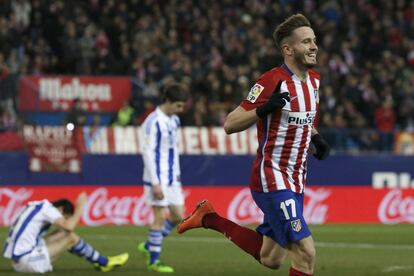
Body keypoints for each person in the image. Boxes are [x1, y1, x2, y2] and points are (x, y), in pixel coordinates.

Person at [177, 14, 330, 276]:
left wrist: (315, 136)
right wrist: (265, 108)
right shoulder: (271, 81)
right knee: (305, 252)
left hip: (296, 180)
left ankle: (208, 217)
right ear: (288, 49)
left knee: (270, 257)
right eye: (306, 42)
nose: (314, 46)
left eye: (314, 40)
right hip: (272, 177)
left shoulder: (314, 80)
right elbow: (230, 123)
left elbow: (302, 117)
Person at [2, 192, 129, 273]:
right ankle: (104, 263)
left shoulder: (36, 206)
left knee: (62, 234)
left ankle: (99, 262)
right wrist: (80, 207)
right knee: (70, 237)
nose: (64, 220)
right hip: (27, 262)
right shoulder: (49, 209)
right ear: (62, 209)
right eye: (66, 217)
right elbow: (69, 227)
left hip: (17, 262)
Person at [138, 82, 189, 273]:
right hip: (157, 179)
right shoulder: (152, 122)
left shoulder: (174, 120)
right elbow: (147, 152)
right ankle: (154, 261)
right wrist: (155, 183)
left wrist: (176, 174)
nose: (181, 110)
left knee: (178, 216)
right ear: (167, 101)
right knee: (159, 217)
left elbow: (173, 150)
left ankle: (148, 245)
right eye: (178, 105)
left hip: (172, 178)